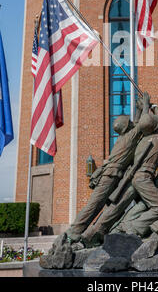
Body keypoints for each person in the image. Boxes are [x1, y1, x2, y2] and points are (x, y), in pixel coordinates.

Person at [65, 92, 151, 243]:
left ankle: (79, 231)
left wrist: (139, 110)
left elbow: (136, 124)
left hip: (111, 174)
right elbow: (142, 124)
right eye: (130, 122)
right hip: (111, 175)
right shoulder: (129, 138)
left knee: (98, 203)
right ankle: (74, 231)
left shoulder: (124, 137)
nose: (132, 123)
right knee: (95, 203)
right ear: (127, 127)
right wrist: (145, 106)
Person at [82, 105, 158, 243]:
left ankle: (96, 230)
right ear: (155, 127)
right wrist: (157, 110)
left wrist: (146, 110)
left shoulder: (138, 142)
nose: (133, 124)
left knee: (117, 206)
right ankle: (125, 227)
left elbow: (140, 124)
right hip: (143, 178)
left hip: (131, 178)